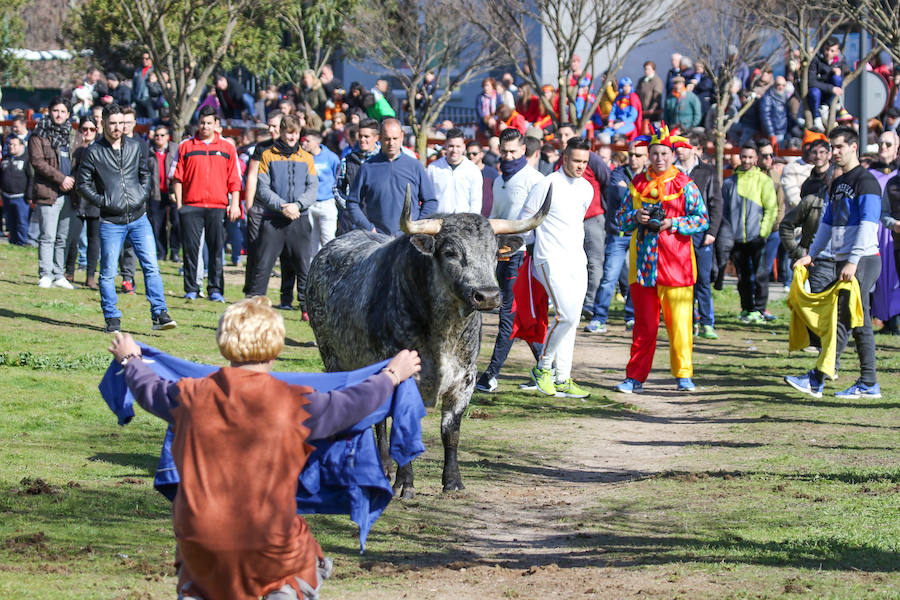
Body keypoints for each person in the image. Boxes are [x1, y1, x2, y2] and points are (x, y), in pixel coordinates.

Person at [105, 296, 421, 600]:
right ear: (276, 347)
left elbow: (149, 389)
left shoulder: (188, 395)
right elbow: (352, 404)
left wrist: (131, 358)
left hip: (199, 544)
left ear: (223, 342)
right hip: (270, 543)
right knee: (304, 558)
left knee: (200, 572)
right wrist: (393, 374)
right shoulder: (296, 404)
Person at [785, 126, 883, 399]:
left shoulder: (866, 181)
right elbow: (827, 224)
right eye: (832, 147)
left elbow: (867, 225)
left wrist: (852, 261)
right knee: (857, 321)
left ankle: (820, 378)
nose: (834, 152)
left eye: (839, 147)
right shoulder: (839, 183)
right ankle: (867, 383)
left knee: (844, 318)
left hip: (862, 260)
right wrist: (811, 254)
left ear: (854, 147)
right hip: (846, 261)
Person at [614, 124, 708, 393]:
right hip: (644, 268)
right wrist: (636, 217)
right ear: (648, 155)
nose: (659, 159)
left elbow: (702, 219)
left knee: (680, 325)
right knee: (644, 327)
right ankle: (635, 377)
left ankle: (684, 375)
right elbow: (619, 218)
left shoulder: (685, 184)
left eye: (664, 154)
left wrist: (674, 223)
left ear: (673, 154)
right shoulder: (637, 184)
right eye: (654, 154)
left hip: (677, 266)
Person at [76, 103, 176, 333]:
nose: (118, 128)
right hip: (111, 221)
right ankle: (112, 318)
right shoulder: (94, 152)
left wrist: (141, 194)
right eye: (113, 123)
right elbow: (83, 184)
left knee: (151, 266)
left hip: (139, 218)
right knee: (109, 272)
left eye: (122, 123)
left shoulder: (136, 146)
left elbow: (144, 174)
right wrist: (104, 202)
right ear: (103, 124)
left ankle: (159, 314)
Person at [523, 136, 595, 399]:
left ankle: (563, 378)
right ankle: (543, 369)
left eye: (585, 162)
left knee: (572, 320)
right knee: (564, 315)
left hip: (577, 260)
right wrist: (525, 252)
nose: (580, 166)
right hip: (548, 258)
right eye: (576, 160)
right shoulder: (547, 184)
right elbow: (525, 220)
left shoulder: (587, 188)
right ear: (564, 158)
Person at [474, 129, 546, 393]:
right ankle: (546, 368)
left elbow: (531, 226)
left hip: (523, 256)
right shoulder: (498, 180)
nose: (508, 156)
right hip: (500, 255)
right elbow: (494, 214)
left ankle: (490, 375)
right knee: (520, 318)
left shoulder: (536, 180)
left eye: (513, 152)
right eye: (504, 152)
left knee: (509, 315)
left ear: (524, 150)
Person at [245, 114, 318, 317]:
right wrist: (282, 206)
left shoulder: (307, 158)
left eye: (295, 133)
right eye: (288, 132)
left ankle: (307, 308)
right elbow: (263, 188)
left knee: (304, 266)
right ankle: (255, 308)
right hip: (273, 217)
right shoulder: (268, 155)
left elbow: (313, 189)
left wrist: (298, 205)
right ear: (282, 132)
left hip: (299, 218)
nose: (292, 137)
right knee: (263, 264)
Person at [172, 105, 242, 302]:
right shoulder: (186, 146)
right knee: (191, 249)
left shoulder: (227, 147)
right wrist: (180, 205)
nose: (205, 126)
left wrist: (234, 203)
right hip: (191, 206)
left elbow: (234, 179)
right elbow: (178, 177)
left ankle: (215, 289)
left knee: (216, 250)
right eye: (202, 122)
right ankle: (191, 288)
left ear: (216, 125)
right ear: (198, 123)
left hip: (217, 206)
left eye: (209, 123)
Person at [585, 139, 646, 333]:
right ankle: (599, 318)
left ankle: (632, 317)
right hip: (618, 234)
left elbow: (636, 197)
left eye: (638, 155)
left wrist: (629, 190)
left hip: (640, 235)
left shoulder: (649, 177)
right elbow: (620, 196)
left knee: (636, 279)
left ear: (646, 157)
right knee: (609, 277)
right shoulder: (617, 173)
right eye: (631, 154)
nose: (633, 159)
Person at [346, 118, 437, 235]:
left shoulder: (415, 166)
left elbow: (430, 201)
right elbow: (352, 202)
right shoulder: (367, 168)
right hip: (377, 240)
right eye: (387, 139)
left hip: (409, 240)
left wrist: (417, 226)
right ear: (379, 138)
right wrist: (368, 227)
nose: (391, 143)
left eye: (395, 138)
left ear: (402, 136)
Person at [723, 143, 777, 324]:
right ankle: (747, 308)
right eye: (743, 156)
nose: (746, 160)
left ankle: (760, 309)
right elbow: (724, 211)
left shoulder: (763, 181)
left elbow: (771, 208)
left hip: (756, 237)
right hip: (737, 238)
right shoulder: (730, 182)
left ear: (756, 159)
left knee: (761, 275)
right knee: (743, 277)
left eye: (750, 157)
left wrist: (763, 232)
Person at [676, 134, 723, 339]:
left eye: (684, 145)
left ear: (696, 148)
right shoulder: (671, 172)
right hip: (677, 233)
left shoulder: (707, 172)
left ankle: (706, 322)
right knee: (681, 280)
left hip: (700, 233)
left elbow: (716, 203)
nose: (680, 149)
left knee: (702, 279)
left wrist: (712, 232)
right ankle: (685, 320)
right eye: (677, 145)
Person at [29, 96, 77, 289]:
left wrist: (72, 181)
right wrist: (61, 179)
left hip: (69, 193)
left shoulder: (72, 135)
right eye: (56, 110)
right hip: (48, 191)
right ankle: (45, 273)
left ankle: (59, 274)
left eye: (63, 111)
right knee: (47, 235)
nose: (59, 114)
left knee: (62, 237)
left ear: (68, 114)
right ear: (49, 111)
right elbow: (37, 162)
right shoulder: (38, 134)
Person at [66, 115, 101, 289]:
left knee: (93, 239)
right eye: (84, 129)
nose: (87, 132)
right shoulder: (75, 149)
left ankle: (90, 276)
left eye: (91, 129)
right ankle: (69, 271)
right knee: (73, 237)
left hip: (95, 199)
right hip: (78, 198)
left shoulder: (101, 148)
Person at [301, 128, 341, 250]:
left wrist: (335, 198)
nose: (304, 144)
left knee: (328, 240)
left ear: (316, 142)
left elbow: (338, 177)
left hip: (327, 203)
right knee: (311, 241)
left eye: (307, 141)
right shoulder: (303, 158)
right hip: (310, 203)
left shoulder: (331, 157)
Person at [426, 128, 482, 215]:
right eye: (451, 146)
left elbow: (476, 201)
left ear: (463, 147)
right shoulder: (433, 168)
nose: (454, 150)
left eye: (458, 146)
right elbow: (428, 198)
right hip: (439, 222)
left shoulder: (473, 170)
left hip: (464, 223)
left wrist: (472, 223)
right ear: (445, 146)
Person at [148, 124, 180, 262]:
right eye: (157, 135)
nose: (159, 138)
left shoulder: (175, 150)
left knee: (176, 222)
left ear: (168, 136)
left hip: (172, 192)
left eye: (162, 135)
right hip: (155, 193)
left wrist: (175, 190)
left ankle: (175, 252)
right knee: (158, 224)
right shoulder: (148, 151)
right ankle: (161, 252)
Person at [1, 136, 30, 246]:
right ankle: (13, 242)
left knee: (21, 222)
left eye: (14, 144)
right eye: (9, 144)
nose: (11, 147)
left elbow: (31, 178)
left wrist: (29, 194)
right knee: (10, 222)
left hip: (21, 196)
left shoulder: (26, 159)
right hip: (6, 196)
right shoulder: (6, 159)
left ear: (21, 146)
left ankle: (22, 242)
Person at [465, 140, 499, 217]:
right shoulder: (463, 173)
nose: (471, 156)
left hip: (488, 217)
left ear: (481, 154)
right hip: (468, 217)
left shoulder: (492, 173)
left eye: (474, 154)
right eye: (468, 154)